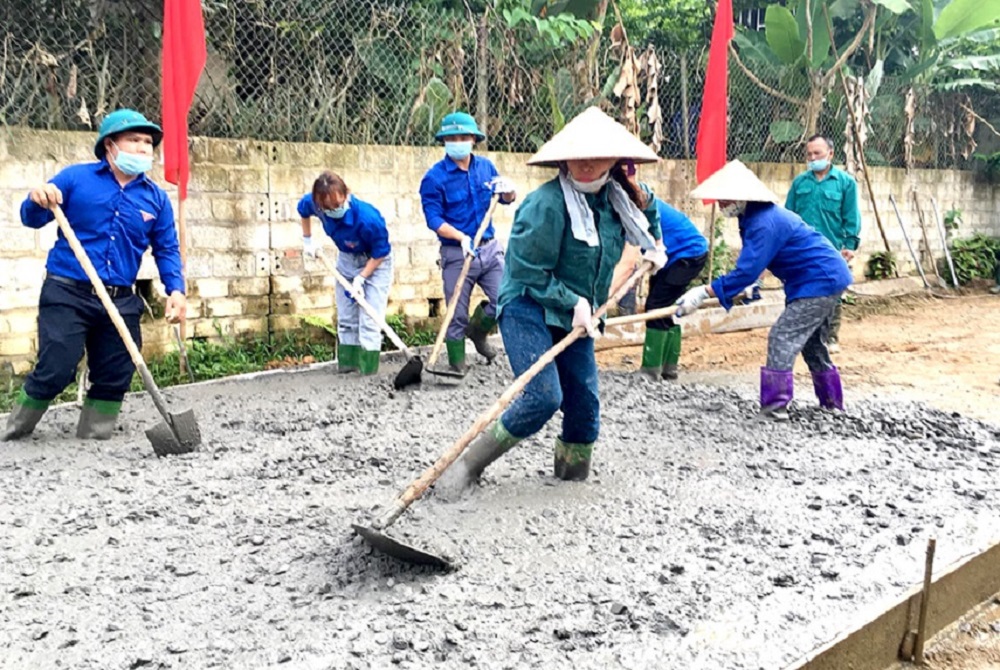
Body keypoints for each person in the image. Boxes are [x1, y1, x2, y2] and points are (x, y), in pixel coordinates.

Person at [437, 107, 667, 494]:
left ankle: (570, 477)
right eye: (578, 156)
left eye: (597, 157)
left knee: (584, 405)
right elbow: (527, 272)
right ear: (563, 159)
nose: (587, 165)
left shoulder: (624, 201)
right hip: (529, 305)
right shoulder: (545, 205)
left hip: (578, 315)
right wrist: (573, 301)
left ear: (617, 161)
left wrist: (654, 248)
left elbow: (650, 223)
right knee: (544, 395)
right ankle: (468, 465)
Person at [3, 109, 187, 442]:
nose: (144, 149)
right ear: (110, 146)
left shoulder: (155, 199)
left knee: (116, 371)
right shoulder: (75, 179)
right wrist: (37, 198)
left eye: (148, 143)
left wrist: (176, 290)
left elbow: (167, 248)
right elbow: (31, 217)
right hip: (67, 291)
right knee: (57, 365)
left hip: (119, 297)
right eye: (134, 140)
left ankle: (93, 438)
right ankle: (14, 431)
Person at [674, 160, 853, 421]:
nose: (720, 204)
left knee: (782, 335)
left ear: (742, 196)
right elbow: (759, 263)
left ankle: (775, 407)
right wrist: (749, 285)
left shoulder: (762, 222)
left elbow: (746, 270)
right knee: (812, 343)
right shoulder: (756, 217)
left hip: (820, 280)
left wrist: (704, 292)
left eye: (725, 198)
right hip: (823, 277)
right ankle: (831, 403)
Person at [419, 111, 516, 373]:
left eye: (463, 136)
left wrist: (508, 191)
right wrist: (461, 237)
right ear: (444, 142)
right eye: (452, 138)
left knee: (505, 299)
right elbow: (433, 219)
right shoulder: (434, 178)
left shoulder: (486, 167)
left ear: (473, 139)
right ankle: (456, 364)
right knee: (456, 313)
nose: (458, 141)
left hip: (489, 248)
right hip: (456, 253)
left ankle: (478, 332)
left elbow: (506, 198)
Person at [299, 172, 392, 376]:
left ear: (346, 194)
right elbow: (303, 210)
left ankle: (368, 372)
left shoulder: (368, 219)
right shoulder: (316, 203)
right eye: (327, 208)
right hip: (346, 260)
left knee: (370, 317)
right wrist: (307, 240)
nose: (333, 210)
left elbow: (381, 253)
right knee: (346, 317)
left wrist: (361, 278)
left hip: (374, 262)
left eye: (337, 205)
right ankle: (348, 366)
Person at [784, 135, 861, 352]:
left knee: (832, 293)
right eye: (809, 154)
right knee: (799, 289)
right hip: (801, 249)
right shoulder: (800, 183)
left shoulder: (846, 183)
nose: (812, 157)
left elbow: (851, 217)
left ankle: (830, 337)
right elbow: (788, 215)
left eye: (817, 153)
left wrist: (849, 244)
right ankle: (800, 336)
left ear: (830, 154)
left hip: (831, 248)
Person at [638, 198, 708, 380]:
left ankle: (651, 372)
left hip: (688, 254)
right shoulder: (640, 198)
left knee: (656, 307)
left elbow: (627, 259)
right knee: (661, 307)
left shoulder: (637, 205)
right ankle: (668, 369)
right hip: (670, 256)